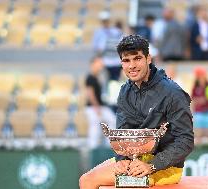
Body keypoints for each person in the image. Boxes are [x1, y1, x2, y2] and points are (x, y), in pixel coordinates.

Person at [79, 35, 194, 188]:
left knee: (102, 181)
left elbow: (186, 140)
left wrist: (152, 165)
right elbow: (123, 133)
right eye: (126, 60)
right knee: (85, 179)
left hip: (164, 167)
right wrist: (122, 160)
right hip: (134, 161)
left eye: (137, 58)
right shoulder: (125, 91)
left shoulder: (172, 92)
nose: (132, 65)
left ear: (148, 59)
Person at [85, 55, 116, 149]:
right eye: (99, 63)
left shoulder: (98, 76)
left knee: (112, 121)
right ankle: (92, 148)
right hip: (94, 107)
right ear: (93, 64)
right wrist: (96, 107)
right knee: (95, 128)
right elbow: (90, 94)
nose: (101, 65)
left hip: (101, 106)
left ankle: (109, 145)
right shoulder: (90, 77)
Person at [92, 11, 123, 81]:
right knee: (104, 80)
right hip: (104, 61)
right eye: (104, 21)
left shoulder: (116, 31)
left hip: (116, 61)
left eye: (106, 20)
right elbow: (96, 48)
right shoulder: (98, 32)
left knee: (115, 81)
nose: (105, 22)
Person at [191, 67, 208, 144]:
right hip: (199, 111)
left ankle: (206, 146)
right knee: (199, 130)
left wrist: (206, 99)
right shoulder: (195, 86)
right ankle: (199, 146)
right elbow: (192, 98)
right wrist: (199, 100)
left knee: (207, 129)